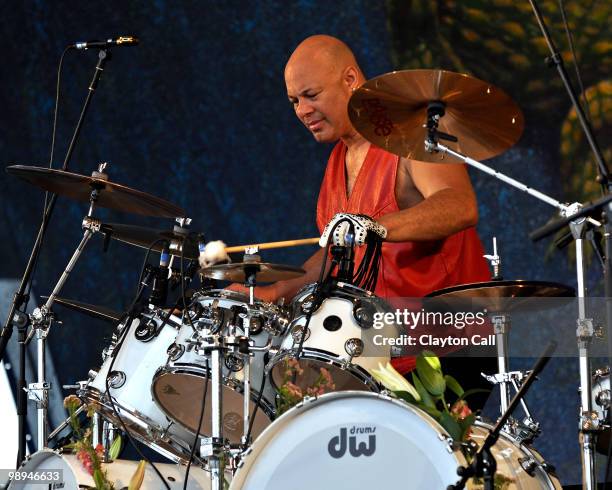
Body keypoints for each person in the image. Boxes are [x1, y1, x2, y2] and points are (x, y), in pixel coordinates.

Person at [231, 35, 494, 401]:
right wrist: (274, 293)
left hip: (450, 345)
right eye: (294, 101)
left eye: (311, 94)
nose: (302, 110)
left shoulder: (410, 132)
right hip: (388, 352)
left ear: (351, 80)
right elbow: (338, 252)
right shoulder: (338, 161)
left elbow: (459, 204)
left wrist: (374, 226)